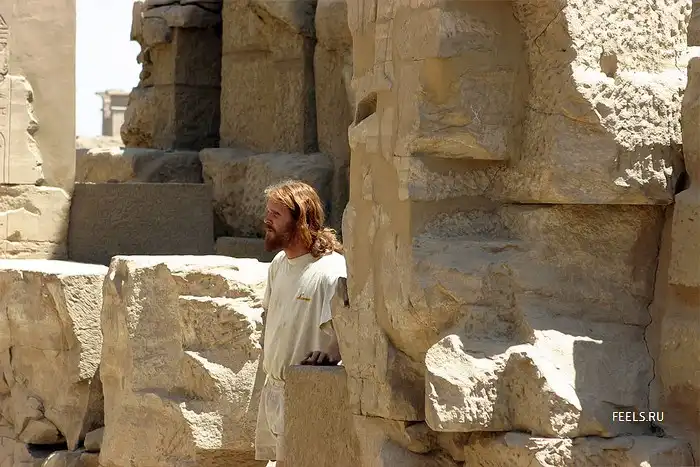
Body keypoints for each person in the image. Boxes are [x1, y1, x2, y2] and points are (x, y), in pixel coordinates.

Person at [254, 180, 347, 467]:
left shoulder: (332, 272)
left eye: (276, 214)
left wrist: (332, 356)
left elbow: (347, 337)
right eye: (268, 212)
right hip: (274, 392)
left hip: (306, 397)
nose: (267, 220)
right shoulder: (279, 264)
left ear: (301, 220)